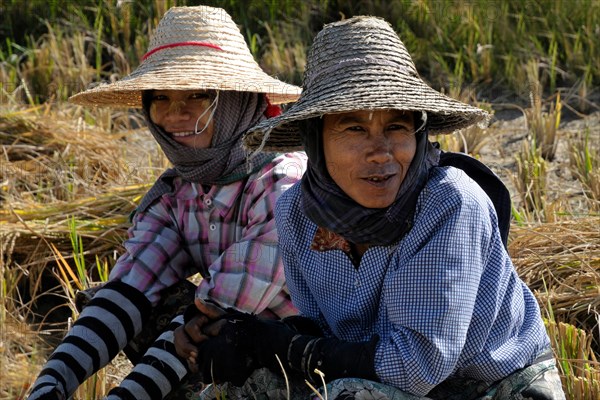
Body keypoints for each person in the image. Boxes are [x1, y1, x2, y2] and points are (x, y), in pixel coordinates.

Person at [175, 16, 566, 400]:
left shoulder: (449, 202)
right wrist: (249, 337)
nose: (380, 153)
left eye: (397, 127)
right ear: (316, 140)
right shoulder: (296, 211)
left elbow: (416, 366)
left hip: (493, 388)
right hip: (379, 379)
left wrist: (288, 347)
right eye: (354, 128)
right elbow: (328, 333)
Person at [27, 5, 306, 400]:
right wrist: (48, 386)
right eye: (161, 97)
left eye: (198, 94)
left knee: (210, 329)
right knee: (111, 302)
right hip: (225, 336)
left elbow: (212, 314)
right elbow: (131, 286)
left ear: (236, 102)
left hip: (302, 357)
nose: (176, 113)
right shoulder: (180, 191)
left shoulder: (282, 185)